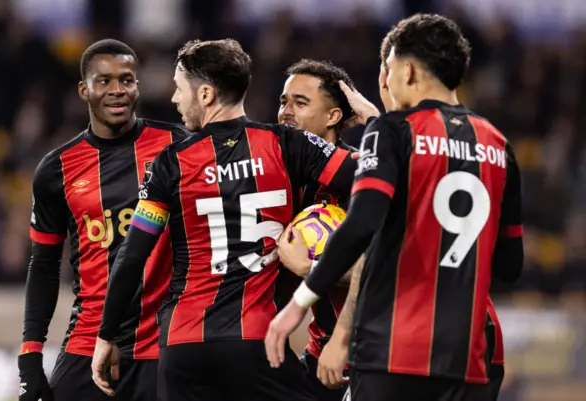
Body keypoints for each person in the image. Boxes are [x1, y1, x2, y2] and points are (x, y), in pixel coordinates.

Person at [265, 13, 524, 401]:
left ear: (407, 70)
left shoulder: (391, 132)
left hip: (396, 346)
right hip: (472, 352)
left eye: (386, 70)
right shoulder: (498, 144)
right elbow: (509, 266)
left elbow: (362, 223)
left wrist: (302, 296)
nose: (383, 82)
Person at [92, 38, 357, 401]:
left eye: (179, 88)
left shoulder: (169, 164)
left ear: (204, 95)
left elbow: (131, 256)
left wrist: (107, 335)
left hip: (184, 345)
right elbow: (375, 178)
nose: (174, 99)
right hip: (257, 343)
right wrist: (374, 120)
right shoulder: (286, 144)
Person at [18, 39, 188, 401]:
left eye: (126, 80)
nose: (116, 90)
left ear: (137, 86)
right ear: (84, 89)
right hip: (87, 340)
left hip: (164, 344)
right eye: (104, 81)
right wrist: (31, 354)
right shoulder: (56, 169)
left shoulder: (177, 146)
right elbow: (44, 264)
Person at [276, 58, 360, 401]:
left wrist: (310, 270)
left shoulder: (362, 175)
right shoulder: (276, 178)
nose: (285, 112)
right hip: (318, 350)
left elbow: (385, 270)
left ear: (333, 117)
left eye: (300, 102)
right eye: (283, 101)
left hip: (367, 353)